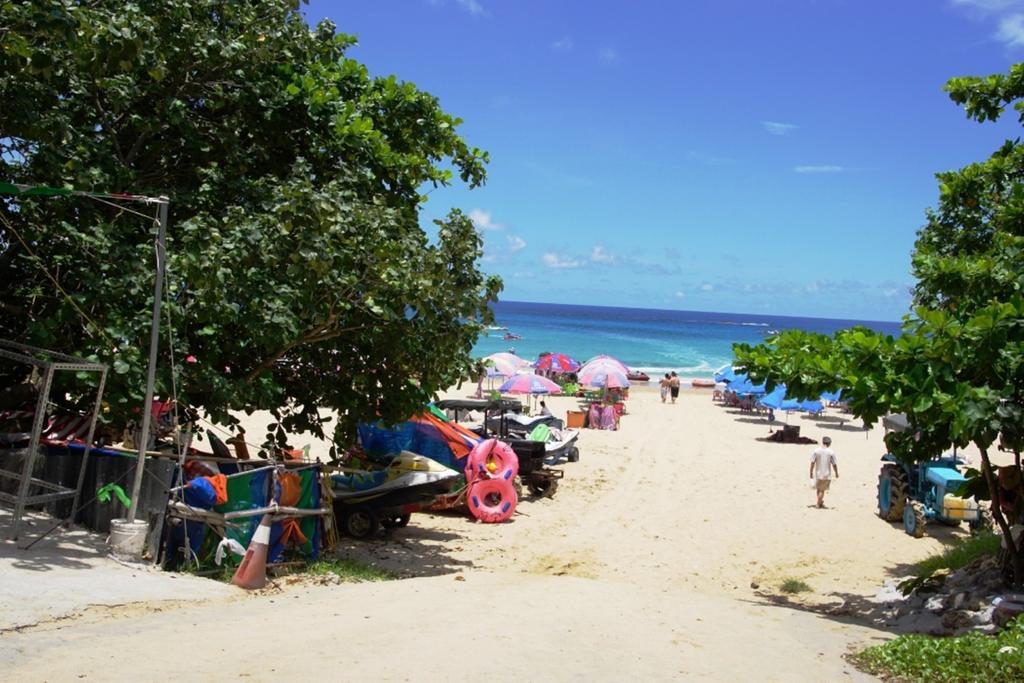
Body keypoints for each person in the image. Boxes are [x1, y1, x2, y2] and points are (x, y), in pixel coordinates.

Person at [809, 436, 839, 509]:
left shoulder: (816, 451)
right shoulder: (831, 452)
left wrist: (811, 472)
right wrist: (836, 473)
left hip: (818, 473)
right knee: (822, 490)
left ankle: (820, 501)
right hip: (826, 473)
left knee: (818, 489)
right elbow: (834, 464)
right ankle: (818, 504)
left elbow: (812, 462)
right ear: (829, 443)